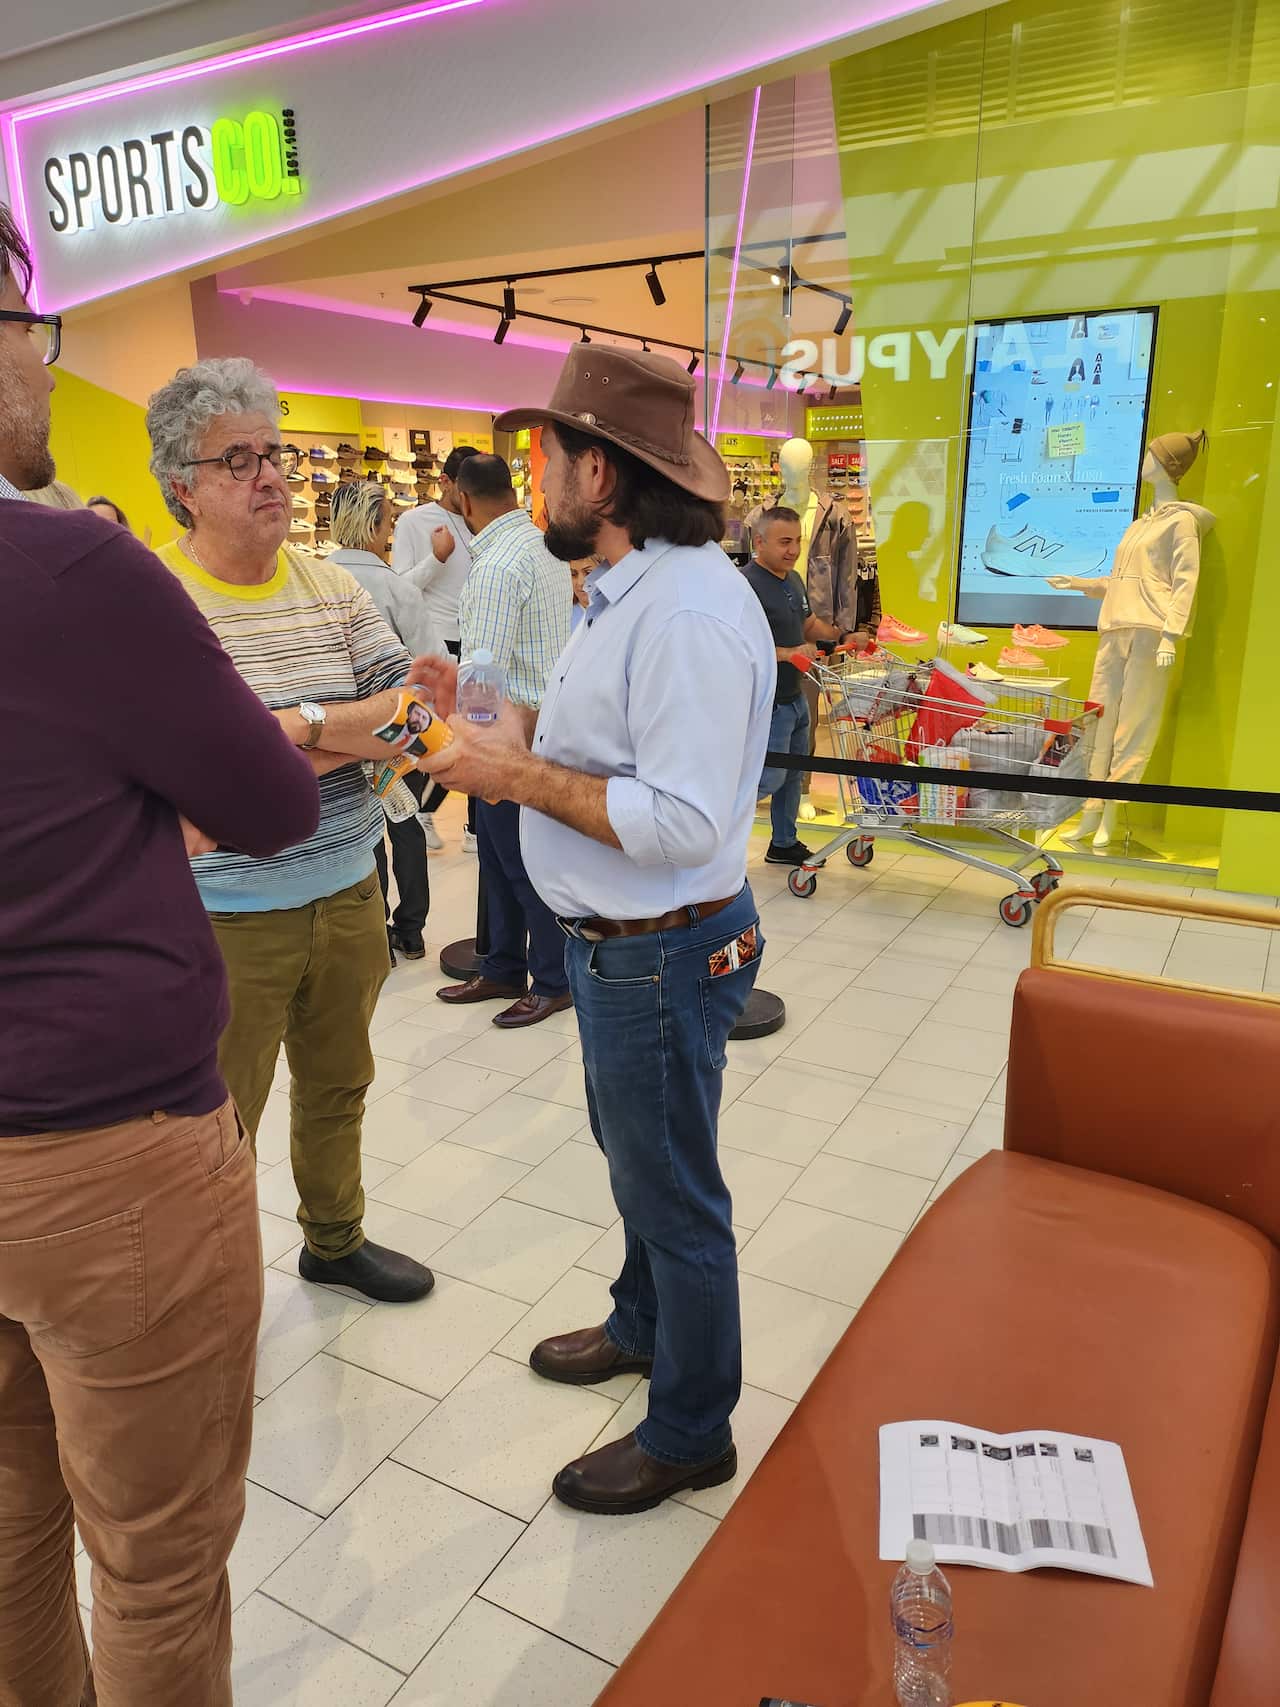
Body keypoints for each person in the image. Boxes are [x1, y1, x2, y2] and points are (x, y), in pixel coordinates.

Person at [0, 205, 321, 1706]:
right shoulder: (78, 572)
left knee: (8, 1534)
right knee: (158, 1557)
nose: (42, 366)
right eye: (29, 328)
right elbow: (269, 801)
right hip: (103, 1147)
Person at [414, 347, 775, 1514]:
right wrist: (469, 716)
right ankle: (639, 1323)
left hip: (659, 949)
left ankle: (691, 1429)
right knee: (638, 1159)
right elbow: (578, 740)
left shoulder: (685, 616)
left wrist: (509, 778)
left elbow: (679, 822)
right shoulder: (623, 590)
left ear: (600, 476)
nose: (534, 481)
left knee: (671, 1188)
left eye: (546, 459)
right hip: (620, 947)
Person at [146, 357, 435, 1305]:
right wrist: (343, 733)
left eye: (273, 453)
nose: (270, 475)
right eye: (238, 459)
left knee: (340, 1084)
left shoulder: (331, 586)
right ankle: (204, 1293)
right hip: (223, 917)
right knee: (217, 1121)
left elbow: (414, 718)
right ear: (182, 486)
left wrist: (294, 728)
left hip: (350, 887)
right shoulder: (156, 601)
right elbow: (192, 774)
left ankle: (334, 1238)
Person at [435, 453, 573, 1028]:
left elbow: (482, 673)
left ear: (464, 500)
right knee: (500, 858)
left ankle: (551, 980)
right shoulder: (541, 546)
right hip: (543, 725)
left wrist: (475, 750)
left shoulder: (495, 566)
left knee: (516, 862)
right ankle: (503, 965)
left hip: (508, 741)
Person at [328, 478, 445, 962]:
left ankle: (373, 927)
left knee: (362, 827)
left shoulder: (316, 582)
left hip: (336, 730)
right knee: (405, 821)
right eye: (389, 523)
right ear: (376, 526)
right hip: (397, 729)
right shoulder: (396, 588)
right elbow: (432, 662)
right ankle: (411, 929)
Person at [391, 443, 481, 851]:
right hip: (434, 643)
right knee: (431, 736)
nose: (469, 499)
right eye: (463, 489)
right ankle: (418, 813)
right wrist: (437, 559)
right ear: (445, 481)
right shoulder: (414, 522)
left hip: (479, 644)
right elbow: (400, 588)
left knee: (476, 734)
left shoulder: (481, 520)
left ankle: (473, 828)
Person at [744, 506, 845, 866]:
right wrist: (787, 654)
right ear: (759, 542)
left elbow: (807, 624)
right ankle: (715, 833)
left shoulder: (793, 580)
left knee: (793, 775)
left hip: (795, 696)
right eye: (784, 542)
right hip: (767, 702)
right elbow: (736, 647)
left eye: (797, 541)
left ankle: (783, 842)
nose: (793, 550)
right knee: (768, 778)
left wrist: (842, 637)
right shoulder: (744, 586)